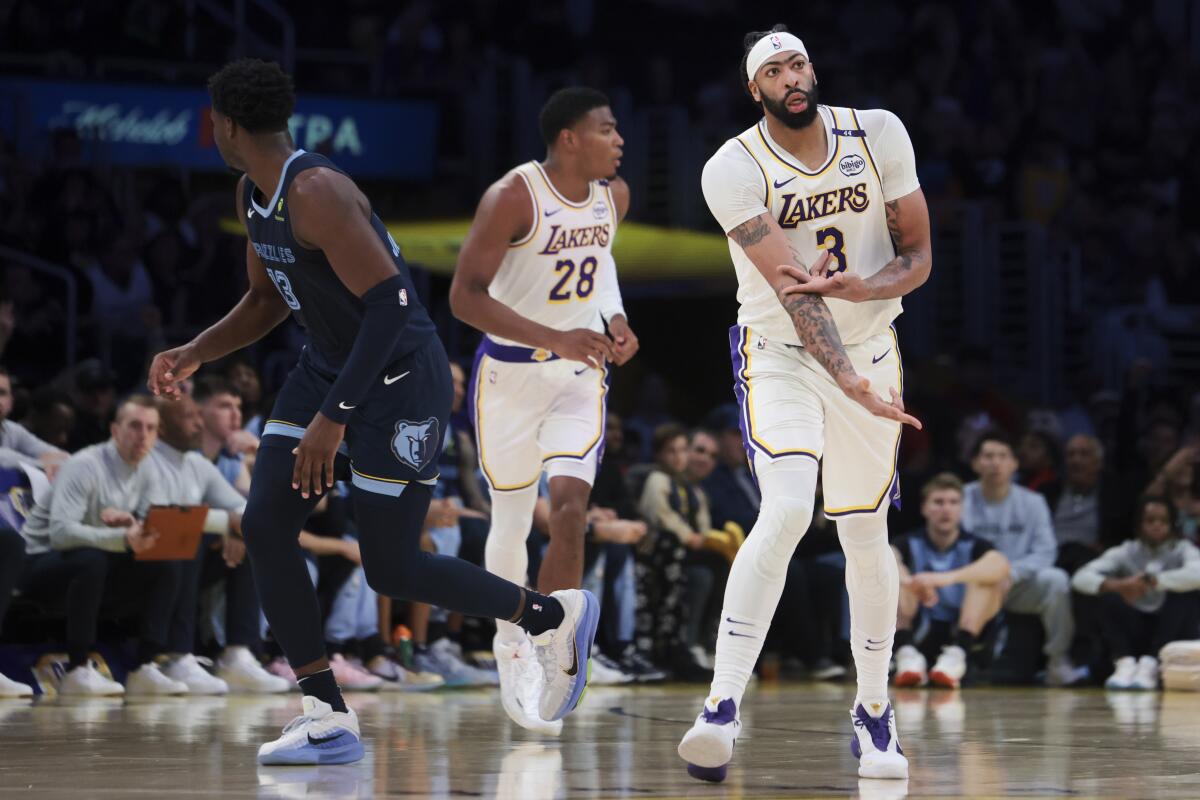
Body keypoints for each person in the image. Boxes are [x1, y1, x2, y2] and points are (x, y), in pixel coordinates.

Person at [147, 59, 599, 766]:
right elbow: (267, 301)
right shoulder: (251, 193)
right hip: (327, 366)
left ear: (227, 127)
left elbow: (390, 306)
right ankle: (326, 711)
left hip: (397, 380)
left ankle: (550, 615)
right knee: (265, 522)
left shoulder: (316, 191)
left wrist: (335, 417)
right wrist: (198, 349)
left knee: (392, 568)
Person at [677, 24, 929, 783]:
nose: (791, 76)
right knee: (787, 508)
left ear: (812, 71)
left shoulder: (877, 132)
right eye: (773, 70)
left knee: (863, 528)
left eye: (798, 62)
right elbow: (791, 290)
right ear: (754, 89)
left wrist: (868, 287)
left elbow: (917, 254)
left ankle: (875, 713)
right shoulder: (732, 167)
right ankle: (720, 707)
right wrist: (844, 377)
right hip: (782, 353)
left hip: (874, 346)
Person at [449, 86, 636, 735]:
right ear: (569, 140)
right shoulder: (513, 197)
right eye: (607, 129)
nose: (619, 140)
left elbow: (601, 263)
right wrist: (554, 336)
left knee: (571, 510)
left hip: (579, 377)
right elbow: (464, 298)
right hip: (508, 377)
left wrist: (615, 318)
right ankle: (512, 646)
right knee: (508, 521)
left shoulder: (615, 196)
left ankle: (558, 650)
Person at [19, 396, 186, 697]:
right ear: (115, 430)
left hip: (96, 566)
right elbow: (59, 534)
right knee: (91, 559)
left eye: (151, 428)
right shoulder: (84, 465)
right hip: (38, 564)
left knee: (165, 561)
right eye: (135, 426)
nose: (143, 435)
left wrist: (132, 525)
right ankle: (78, 669)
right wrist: (120, 537)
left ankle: (144, 666)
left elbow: (146, 526)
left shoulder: (150, 469)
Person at [147, 394, 289, 694]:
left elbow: (242, 508)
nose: (199, 424)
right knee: (189, 538)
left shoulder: (197, 463)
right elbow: (167, 517)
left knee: (249, 538)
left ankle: (238, 653)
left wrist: (236, 528)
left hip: (182, 560)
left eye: (199, 416)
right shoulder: (147, 457)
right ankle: (177, 655)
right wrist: (225, 523)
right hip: (141, 562)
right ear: (161, 427)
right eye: (189, 417)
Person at [961, 431, 1081, 685]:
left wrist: (1011, 573)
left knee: (1056, 580)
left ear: (1014, 463)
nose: (995, 463)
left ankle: (1057, 660)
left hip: (1017, 584)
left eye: (1003, 456)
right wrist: (985, 576)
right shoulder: (959, 499)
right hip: (972, 586)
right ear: (975, 463)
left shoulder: (1033, 502)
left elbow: (1046, 551)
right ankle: (943, 657)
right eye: (988, 456)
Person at [891, 473, 1010, 689]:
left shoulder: (976, 545)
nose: (946, 509)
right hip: (919, 626)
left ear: (962, 509)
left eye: (953, 502)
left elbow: (1001, 564)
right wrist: (913, 583)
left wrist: (942, 579)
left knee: (991, 580)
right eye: (938, 502)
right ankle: (905, 653)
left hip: (962, 633)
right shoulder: (908, 541)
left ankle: (958, 655)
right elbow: (888, 557)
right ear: (924, 509)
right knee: (891, 574)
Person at [1072, 496, 1200, 691]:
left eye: (1163, 521)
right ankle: (1124, 662)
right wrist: (1119, 585)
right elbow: (1079, 578)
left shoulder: (1183, 550)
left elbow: (1197, 573)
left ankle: (1152, 662)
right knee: (1105, 593)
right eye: (1150, 520)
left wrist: (1156, 581)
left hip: (1170, 632)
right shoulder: (1125, 551)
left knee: (1184, 594)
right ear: (1139, 525)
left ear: (1173, 524)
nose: (1157, 526)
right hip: (1135, 631)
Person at [0, 365, 67, 477]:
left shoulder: (12, 430)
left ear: (11, 402)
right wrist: (40, 464)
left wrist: (52, 462)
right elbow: (3, 457)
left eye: (2, 393)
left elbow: (64, 457)